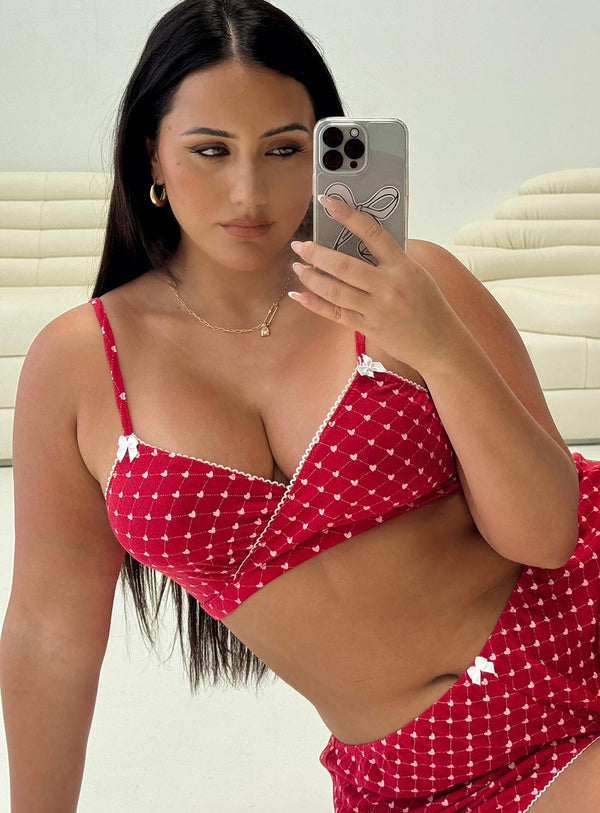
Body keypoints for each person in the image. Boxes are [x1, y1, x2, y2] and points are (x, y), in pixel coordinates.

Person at [2, 0, 600, 810]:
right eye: (210, 150)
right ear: (152, 155)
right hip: (420, 772)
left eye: (283, 148)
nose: (248, 191)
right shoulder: (79, 364)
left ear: (323, 150)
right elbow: (48, 634)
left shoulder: (417, 286)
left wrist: (438, 344)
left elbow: (547, 532)